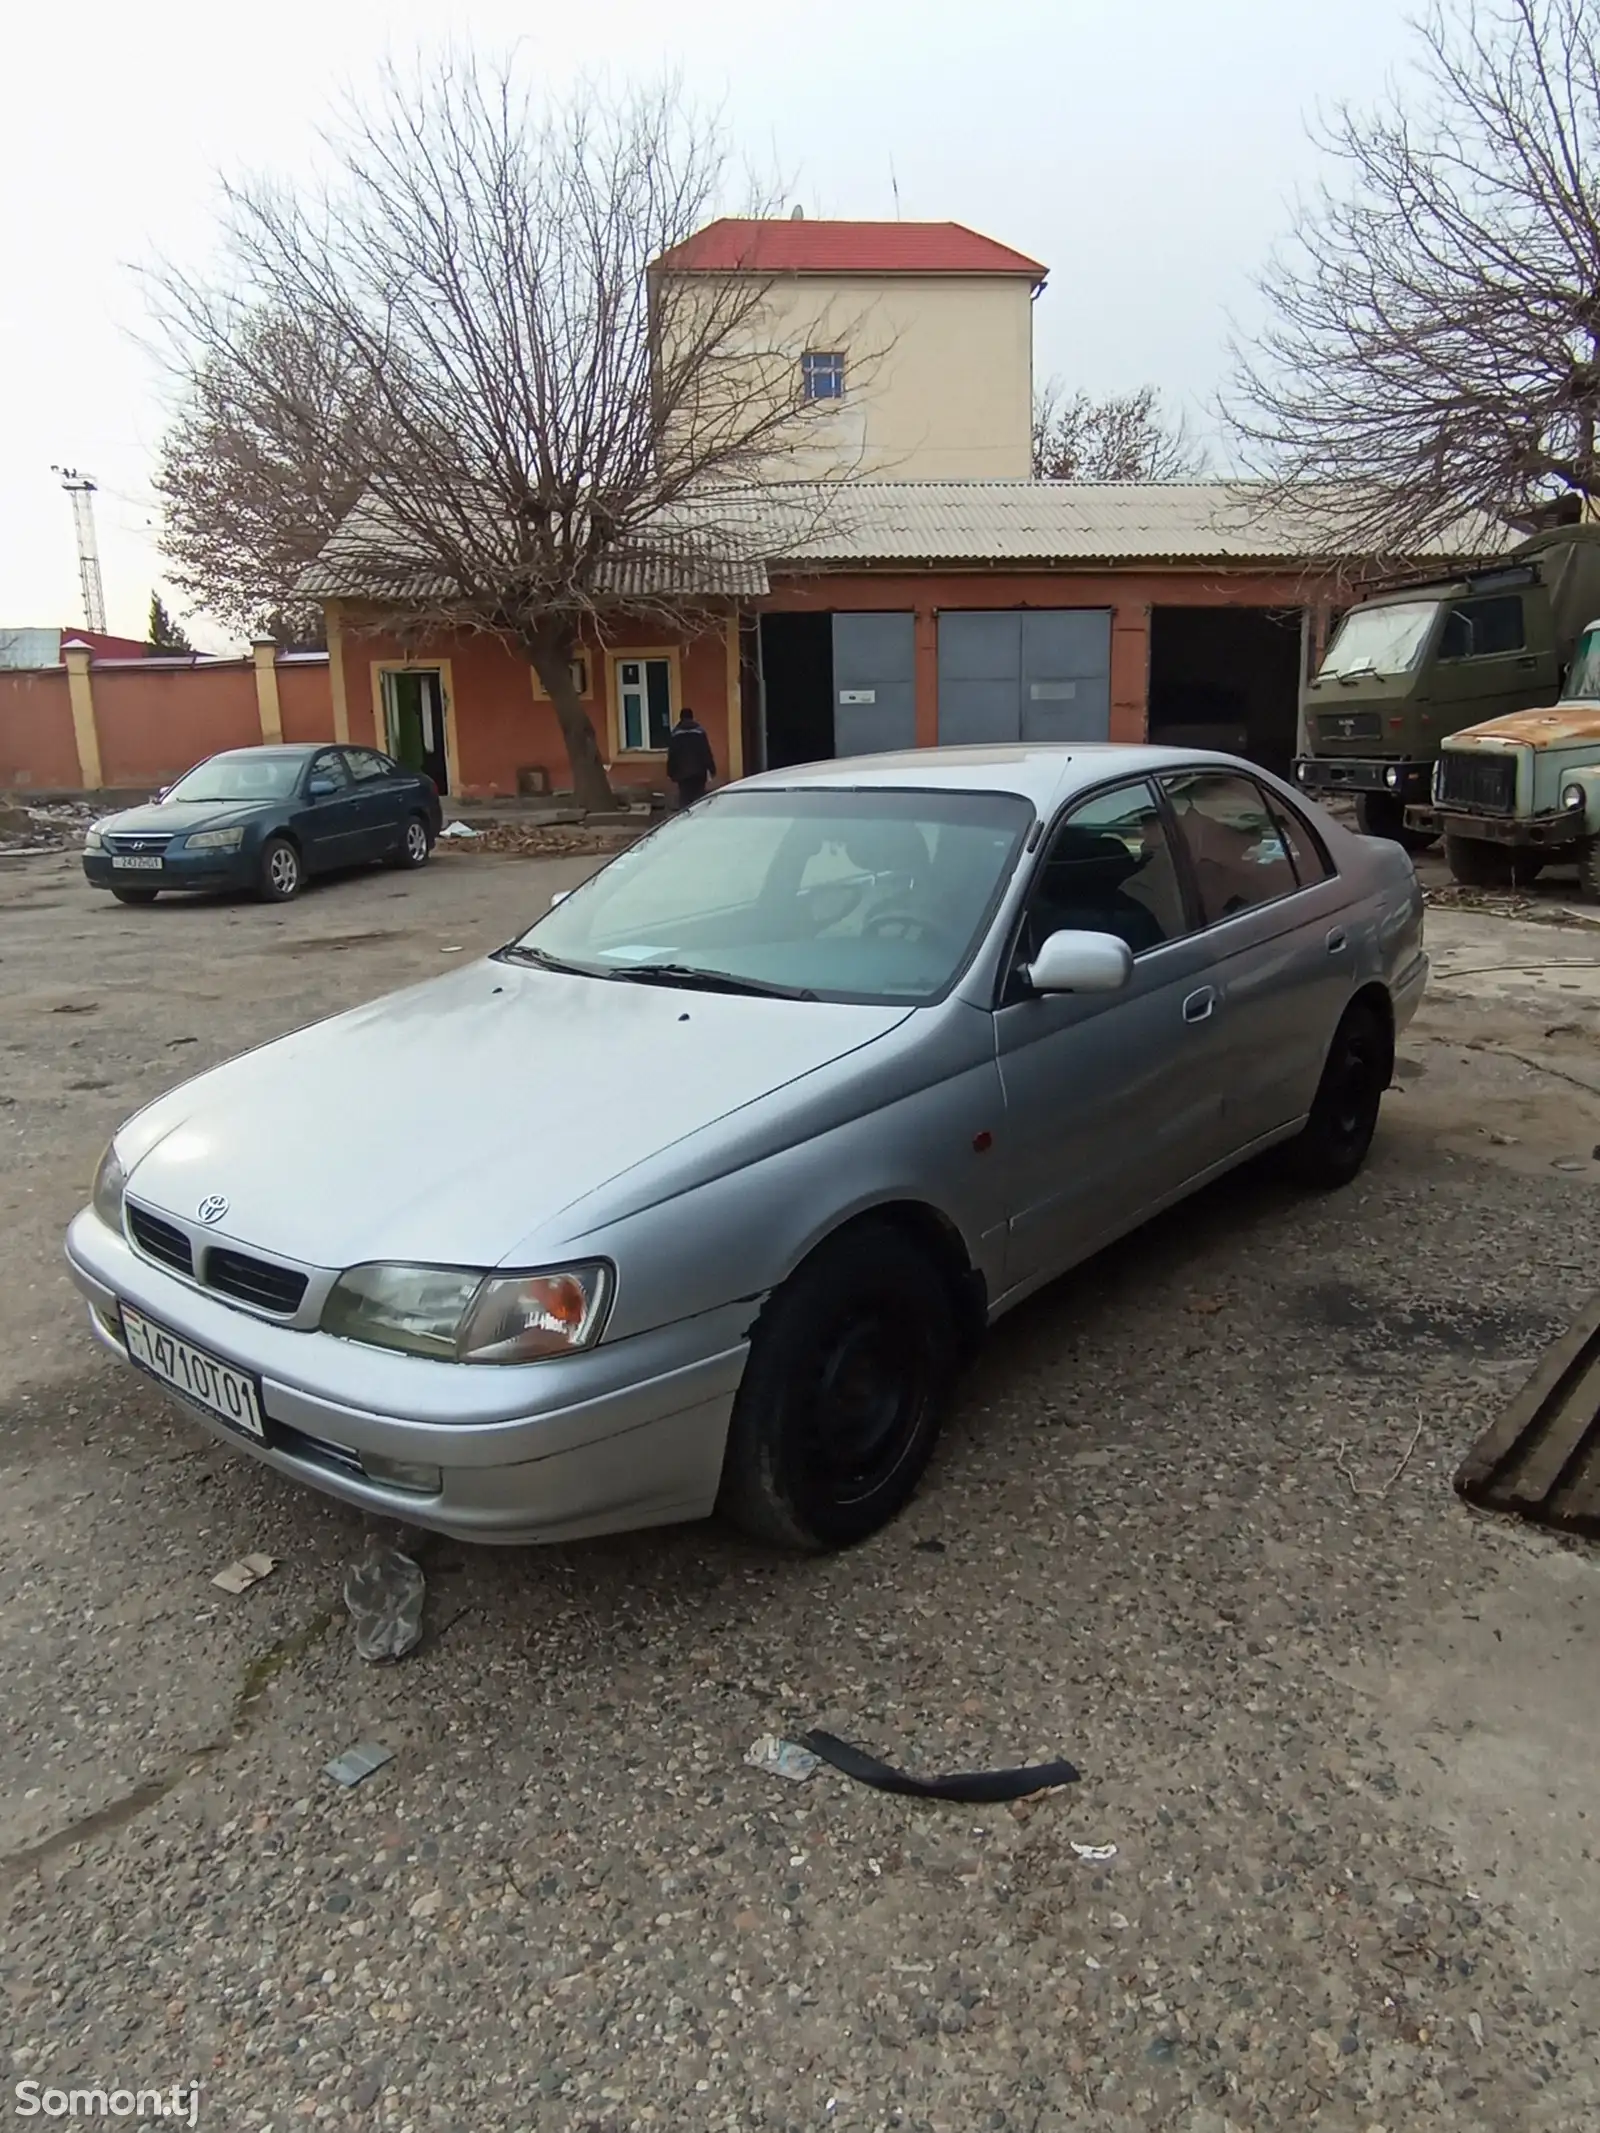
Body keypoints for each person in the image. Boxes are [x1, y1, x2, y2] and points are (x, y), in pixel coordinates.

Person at [665, 707, 716, 809]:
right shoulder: (700, 732)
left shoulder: (675, 734)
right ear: (692, 717)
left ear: (681, 718)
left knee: (685, 800)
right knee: (699, 800)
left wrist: (670, 772)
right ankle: (698, 818)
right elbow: (706, 751)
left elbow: (672, 755)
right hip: (699, 772)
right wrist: (712, 769)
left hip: (682, 773)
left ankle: (686, 820)